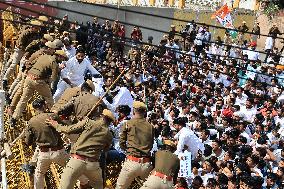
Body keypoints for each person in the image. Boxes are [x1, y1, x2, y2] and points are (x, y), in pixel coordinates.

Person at [46, 109, 115, 189]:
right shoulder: (109, 135)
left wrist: (55, 125)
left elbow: (68, 130)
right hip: (93, 165)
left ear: (101, 116)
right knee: (99, 185)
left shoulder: (88, 122)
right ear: (110, 122)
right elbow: (105, 151)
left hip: (76, 161)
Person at [11, 49, 68, 125]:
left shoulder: (44, 56)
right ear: (59, 56)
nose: (62, 61)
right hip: (39, 81)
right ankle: (55, 119)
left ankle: (14, 118)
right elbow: (53, 79)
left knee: (23, 99)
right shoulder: (54, 63)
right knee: (49, 99)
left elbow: (31, 64)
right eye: (62, 59)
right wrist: (58, 70)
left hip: (28, 78)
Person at [24, 98, 69, 189]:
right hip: (58, 152)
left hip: (43, 154)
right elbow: (65, 128)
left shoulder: (31, 122)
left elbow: (28, 142)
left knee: (39, 174)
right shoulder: (52, 116)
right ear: (44, 106)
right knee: (72, 168)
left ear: (34, 109)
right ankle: (85, 183)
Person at [116, 101, 155, 189]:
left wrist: (127, 150)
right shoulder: (151, 127)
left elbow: (121, 142)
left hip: (132, 161)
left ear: (133, 111)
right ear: (144, 112)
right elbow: (151, 144)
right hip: (146, 164)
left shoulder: (128, 123)